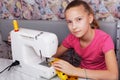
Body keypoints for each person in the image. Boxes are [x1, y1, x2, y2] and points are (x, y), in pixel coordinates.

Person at [52, 0, 118, 80]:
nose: (74, 27)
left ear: (90, 19)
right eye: (69, 22)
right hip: (82, 75)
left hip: (100, 77)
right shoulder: (72, 38)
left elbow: (113, 75)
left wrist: (75, 71)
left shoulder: (105, 40)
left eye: (79, 19)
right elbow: (54, 55)